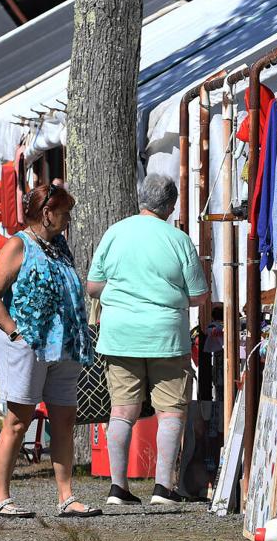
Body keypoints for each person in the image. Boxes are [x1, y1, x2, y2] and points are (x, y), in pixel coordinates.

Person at [86, 174, 209, 506]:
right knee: (170, 412)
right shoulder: (178, 239)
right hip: (165, 335)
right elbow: (199, 295)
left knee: (122, 411)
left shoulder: (115, 232)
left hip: (120, 335)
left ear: (141, 199)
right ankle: (163, 489)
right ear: (170, 205)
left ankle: (117, 488)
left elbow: (93, 285)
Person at [0, 183, 100, 519]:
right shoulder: (18, 245)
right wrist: (14, 331)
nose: (68, 221)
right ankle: (1, 497)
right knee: (19, 420)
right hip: (27, 344)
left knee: (64, 418)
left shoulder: (59, 245)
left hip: (62, 344)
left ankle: (67, 496)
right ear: (46, 214)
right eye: (64, 214)